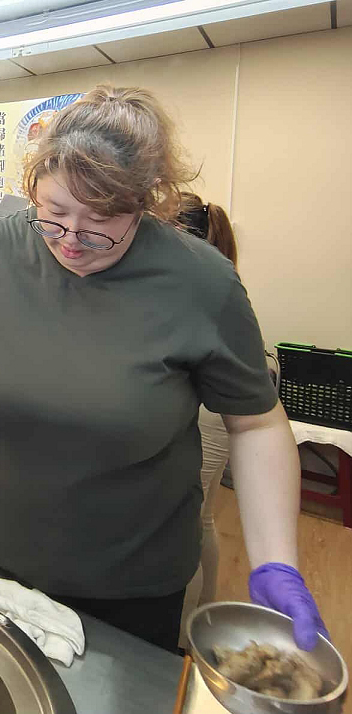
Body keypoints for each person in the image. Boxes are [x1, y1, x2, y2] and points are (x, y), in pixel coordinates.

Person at [0, 86, 328, 653]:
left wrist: (277, 559)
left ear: (145, 203)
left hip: (132, 592)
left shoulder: (202, 286)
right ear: (33, 188)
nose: (73, 241)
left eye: (101, 222)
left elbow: (255, 424)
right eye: (54, 215)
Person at [178, 193, 238, 607]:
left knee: (187, 521)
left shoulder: (194, 284)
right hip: (212, 407)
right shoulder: (218, 281)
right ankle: (204, 612)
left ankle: (185, 636)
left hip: (206, 411)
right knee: (203, 517)